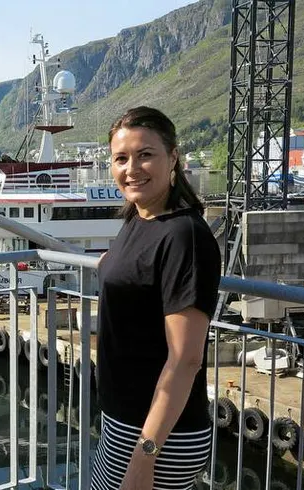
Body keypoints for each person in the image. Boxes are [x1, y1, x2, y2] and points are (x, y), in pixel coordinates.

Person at [90, 106, 221, 490]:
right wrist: (109, 268)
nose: (132, 168)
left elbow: (186, 359)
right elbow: (137, 274)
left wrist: (145, 456)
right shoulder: (139, 218)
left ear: (173, 157)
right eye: (121, 158)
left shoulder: (184, 237)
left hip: (157, 434)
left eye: (146, 154)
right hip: (124, 420)